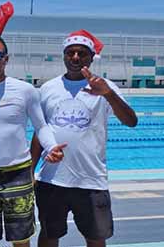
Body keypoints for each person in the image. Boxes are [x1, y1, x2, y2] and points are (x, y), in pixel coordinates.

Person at [0, 2, 66, 247]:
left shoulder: (26, 91)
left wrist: (51, 147)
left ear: (6, 59)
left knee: (21, 239)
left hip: (19, 173)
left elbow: (41, 126)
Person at [31, 30, 138, 247]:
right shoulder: (48, 88)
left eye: (82, 53)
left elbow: (131, 121)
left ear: (91, 57)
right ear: (64, 56)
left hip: (91, 180)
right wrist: (29, 171)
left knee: (96, 238)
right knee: (49, 234)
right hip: (52, 179)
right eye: (71, 53)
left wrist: (108, 94)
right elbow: (39, 131)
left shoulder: (105, 87)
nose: (76, 57)